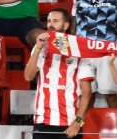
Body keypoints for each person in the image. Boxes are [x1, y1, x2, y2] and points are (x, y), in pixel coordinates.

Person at [25, 9, 93, 139]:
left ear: (66, 25)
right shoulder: (40, 46)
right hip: (42, 121)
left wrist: (78, 122)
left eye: (55, 21)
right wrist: (38, 48)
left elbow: (87, 92)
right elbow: (28, 76)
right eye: (49, 21)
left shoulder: (78, 49)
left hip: (69, 124)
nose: (50, 24)